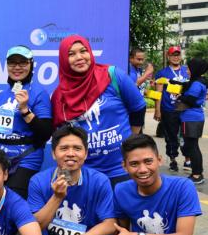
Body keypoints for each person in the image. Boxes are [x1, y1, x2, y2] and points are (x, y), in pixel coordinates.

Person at [51, 35, 146, 187]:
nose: (79, 57)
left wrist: (131, 142)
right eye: (71, 54)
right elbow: (61, 139)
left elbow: (138, 108)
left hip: (121, 170)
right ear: (63, 59)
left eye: (83, 51)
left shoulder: (113, 75)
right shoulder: (59, 96)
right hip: (83, 174)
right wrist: (67, 179)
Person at [0, 45, 52, 199]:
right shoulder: (0, 96)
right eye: (12, 63)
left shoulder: (39, 94)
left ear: (31, 65)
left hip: (25, 158)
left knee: (14, 199)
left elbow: (45, 133)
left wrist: (25, 110)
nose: (17, 67)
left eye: (22, 63)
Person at [154, 46, 190, 172]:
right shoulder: (162, 73)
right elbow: (158, 93)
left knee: (187, 136)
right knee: (171, 136)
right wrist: (157, 110)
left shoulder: (187, 71)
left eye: (178, 55)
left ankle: (188, 160)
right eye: (173, 55)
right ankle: (173, 160)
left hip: (185, 109)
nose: (176, 57)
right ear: (168, 57)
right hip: (168, 109)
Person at [178, 58, 208, 184]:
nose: (187, 71)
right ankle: (197, 173)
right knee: (192, 145)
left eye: (189, 68)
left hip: (191, 118)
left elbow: (190, 100)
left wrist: (180, 96)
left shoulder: (196, 84)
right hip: (193, 117)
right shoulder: (198, 81)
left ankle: (197, 175)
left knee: (192, 146)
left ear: (195, 69)